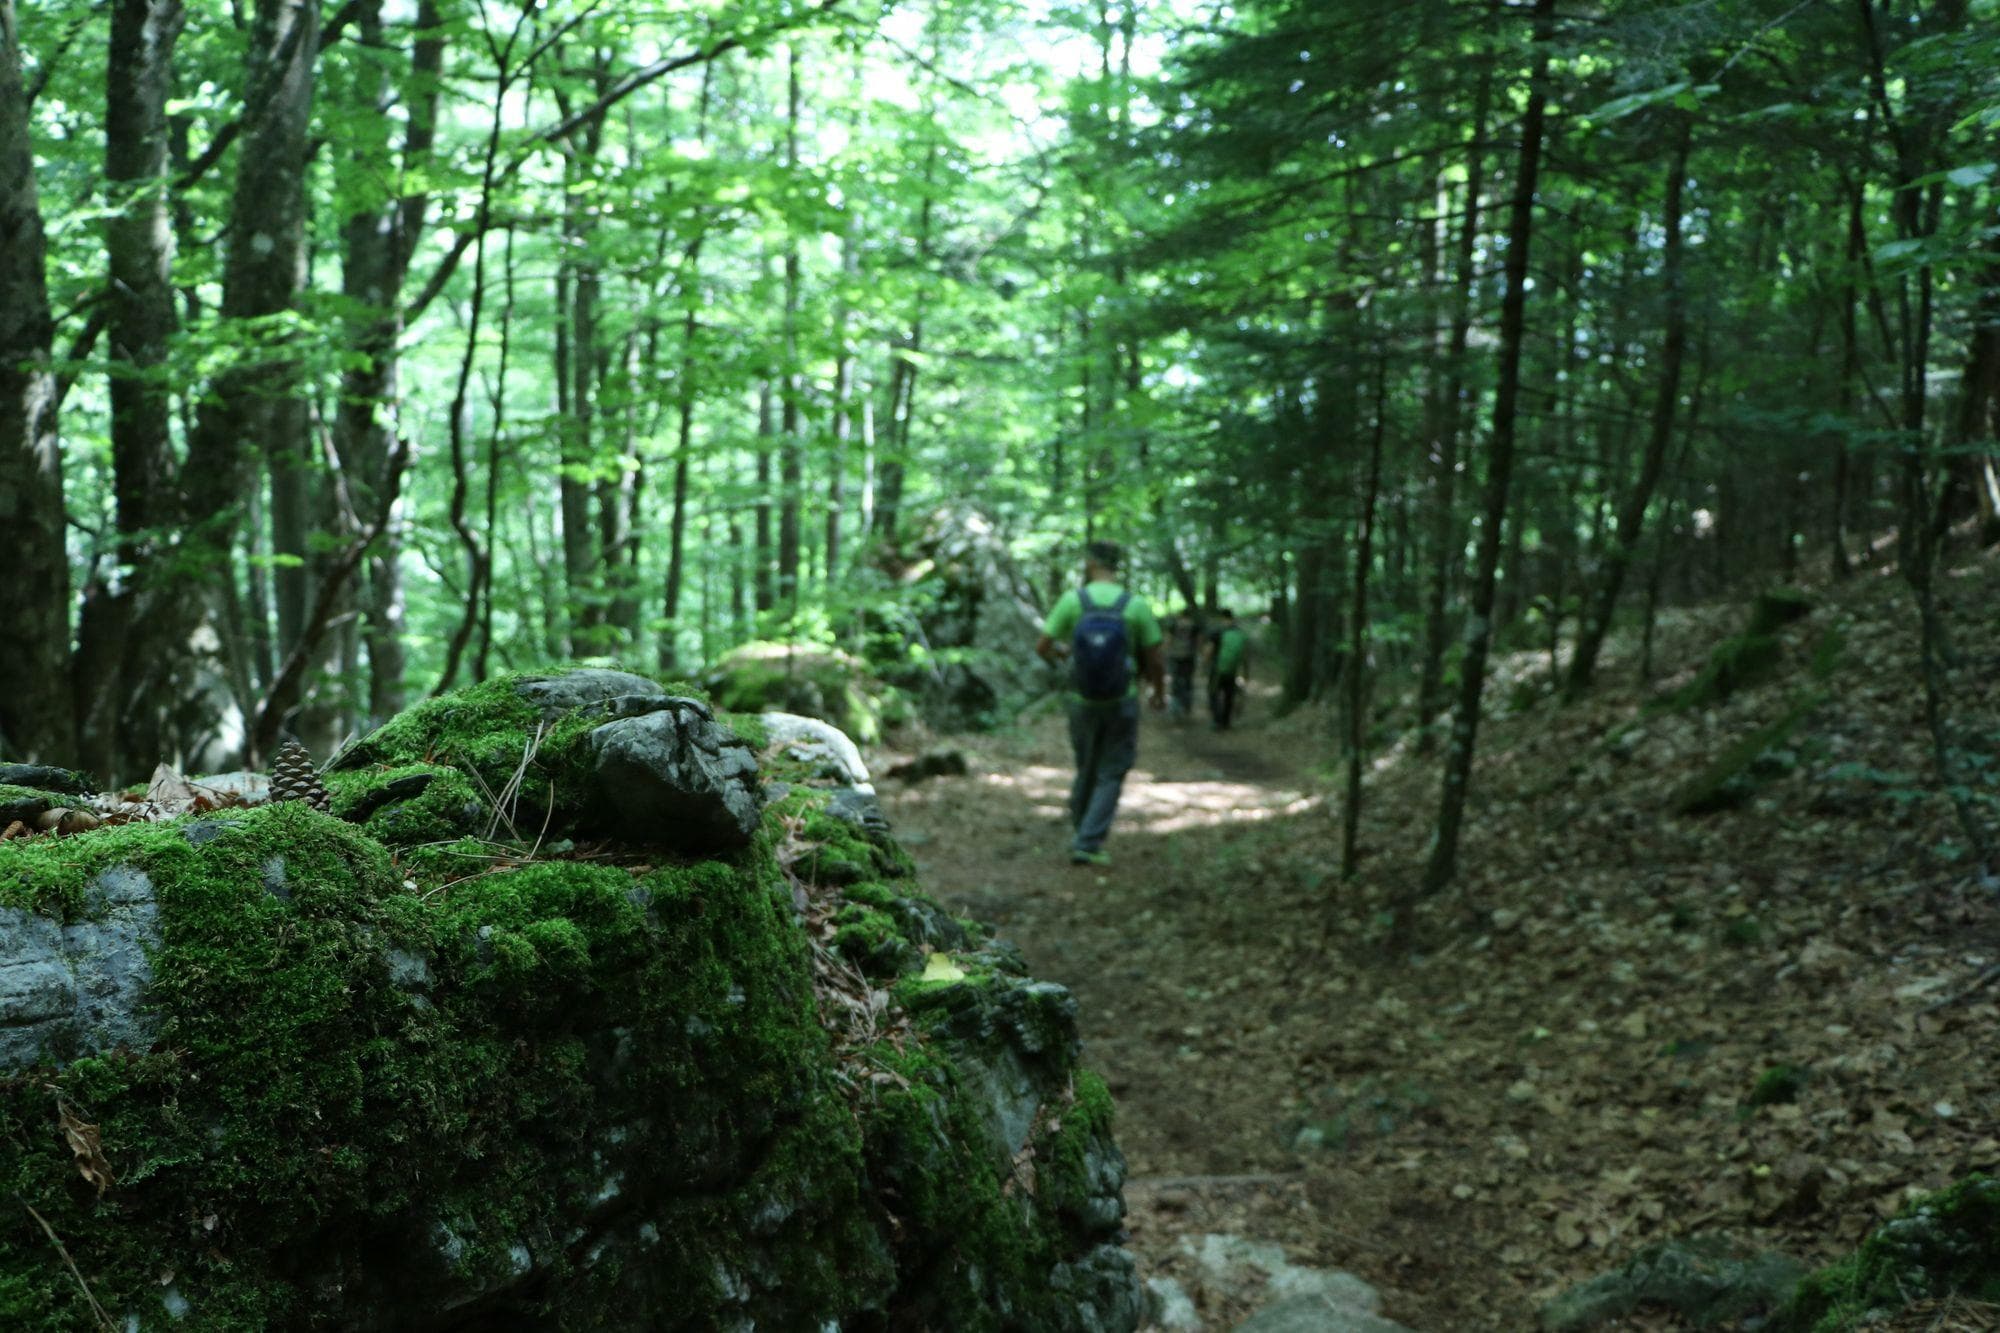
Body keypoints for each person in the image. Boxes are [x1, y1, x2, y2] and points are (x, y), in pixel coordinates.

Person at [1035, 540, 1166, 866]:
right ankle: (1088, 842)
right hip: (1122, 700)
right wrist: (1158, 691)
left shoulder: (1072, 601)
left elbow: (1043, 646)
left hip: (1081, 699)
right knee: (1112, 770)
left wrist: (1065, 656)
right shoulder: (1134, 605)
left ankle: (1082, 830)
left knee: (1086, 766)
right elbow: (1155, 658)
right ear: (1116, 565)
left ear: (1091, 563)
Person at [1206, 607, 1248, 730]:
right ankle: (1226, 721)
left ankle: (1217, 721)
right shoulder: (1239, 633)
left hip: (1217, 669)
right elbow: (1245, 654)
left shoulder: (1217, 632)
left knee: (1213, 693)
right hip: (1232, 669)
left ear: (1221, 618)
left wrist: (1205, 663)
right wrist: (1245, 671)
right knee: (1229, 695)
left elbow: (1209, 650)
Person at [1165, 610, 1200, 720]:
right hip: (1189, 656)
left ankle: (1175, 709)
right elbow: (1198, 641)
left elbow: (1168, 640)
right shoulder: (1194, 625)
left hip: (1175, 656)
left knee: (1176, 681)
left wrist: (1166, 651)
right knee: (1188, 681)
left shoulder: (1174, 624)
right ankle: (1187, 706)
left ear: (1181, 615)